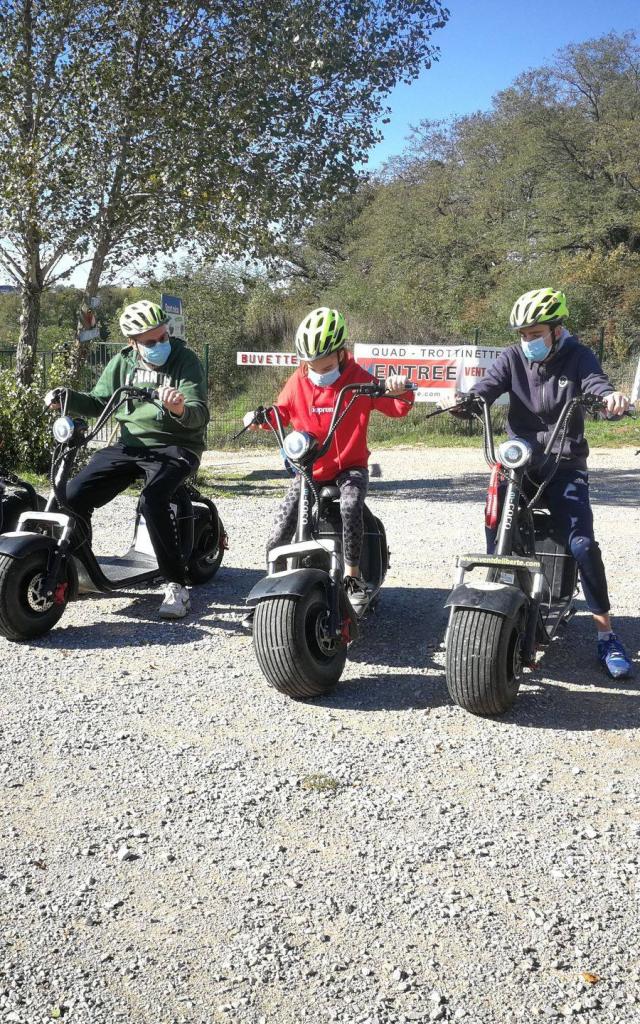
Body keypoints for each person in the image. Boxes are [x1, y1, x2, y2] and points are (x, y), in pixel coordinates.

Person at [456, 287, 632, 679]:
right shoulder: (512, 358)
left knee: (582, 544)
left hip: (565, 464)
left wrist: (610, 399)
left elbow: (597, 385)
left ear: (556, 329)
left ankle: (606, 634)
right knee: (496, 519)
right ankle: (504, 595)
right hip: (521, 461)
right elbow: (486, 388)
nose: (527, 341)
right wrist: (468, 401)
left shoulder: (579, 355)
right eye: (522, 334)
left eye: (535, 333)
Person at [44, 299, 209, 619]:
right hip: (131, 446)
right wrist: (66, 397)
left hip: (178, 446)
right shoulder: (122, 363)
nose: (162, 344)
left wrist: (179, 409)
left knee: (153, 499)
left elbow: (199, 414)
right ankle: (81, 571)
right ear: (132, 343)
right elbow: (98, 402)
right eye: (151, 341)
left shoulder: (185, 360)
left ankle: (176, 584)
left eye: (164, 336)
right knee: (72, 494)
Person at [243, 306, 414, 612]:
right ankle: (271, 593)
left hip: (350, 466)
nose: (318, 374)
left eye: (325, 367)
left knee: (350, 506)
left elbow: (397, 407)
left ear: (340, 354)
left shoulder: (358, 379)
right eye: (311, 367)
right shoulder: (298, 380)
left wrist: (398, 390)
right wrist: (261, 417)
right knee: (281, 528)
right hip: (311, 467)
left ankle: (353, 576)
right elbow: (281, 411)